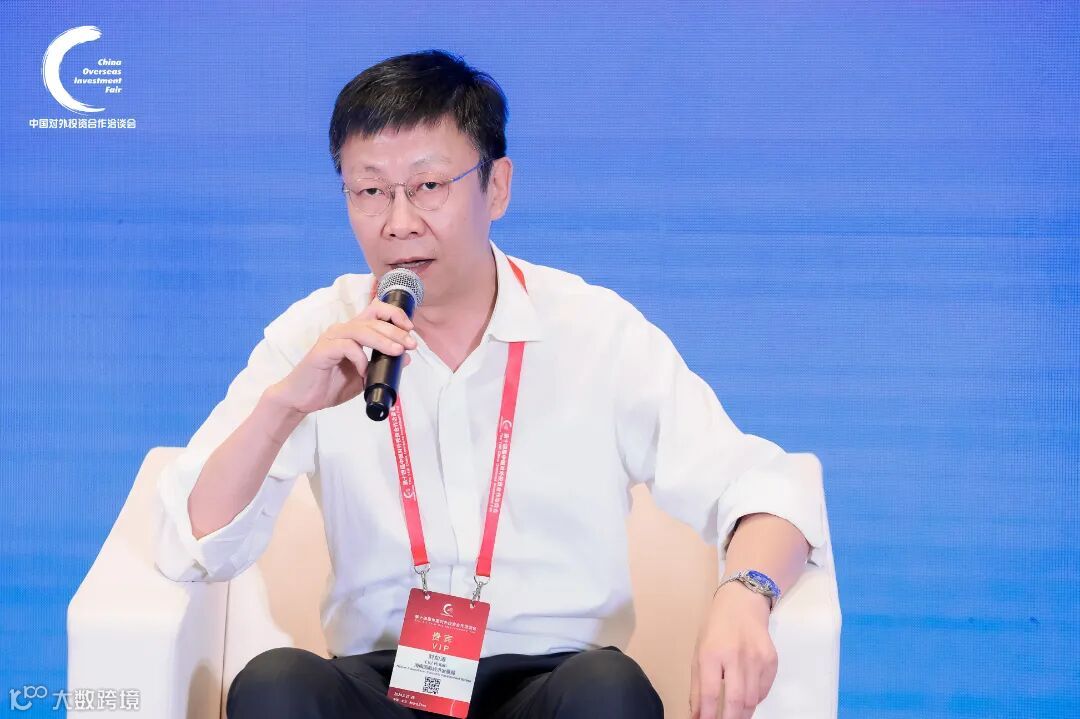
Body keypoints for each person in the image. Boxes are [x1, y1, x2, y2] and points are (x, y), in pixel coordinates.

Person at [154, 50, 827, 719]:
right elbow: (192, 544)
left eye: (428, 185)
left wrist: (747, 592)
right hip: (383, 686)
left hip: (555, 685)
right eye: (370, 191)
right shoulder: (317, 335)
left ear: (496, 187)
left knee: (608, 691)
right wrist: (285, 407)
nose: (398, 222)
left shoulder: (595, 331)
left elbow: (763, 487)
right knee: (274, 684)